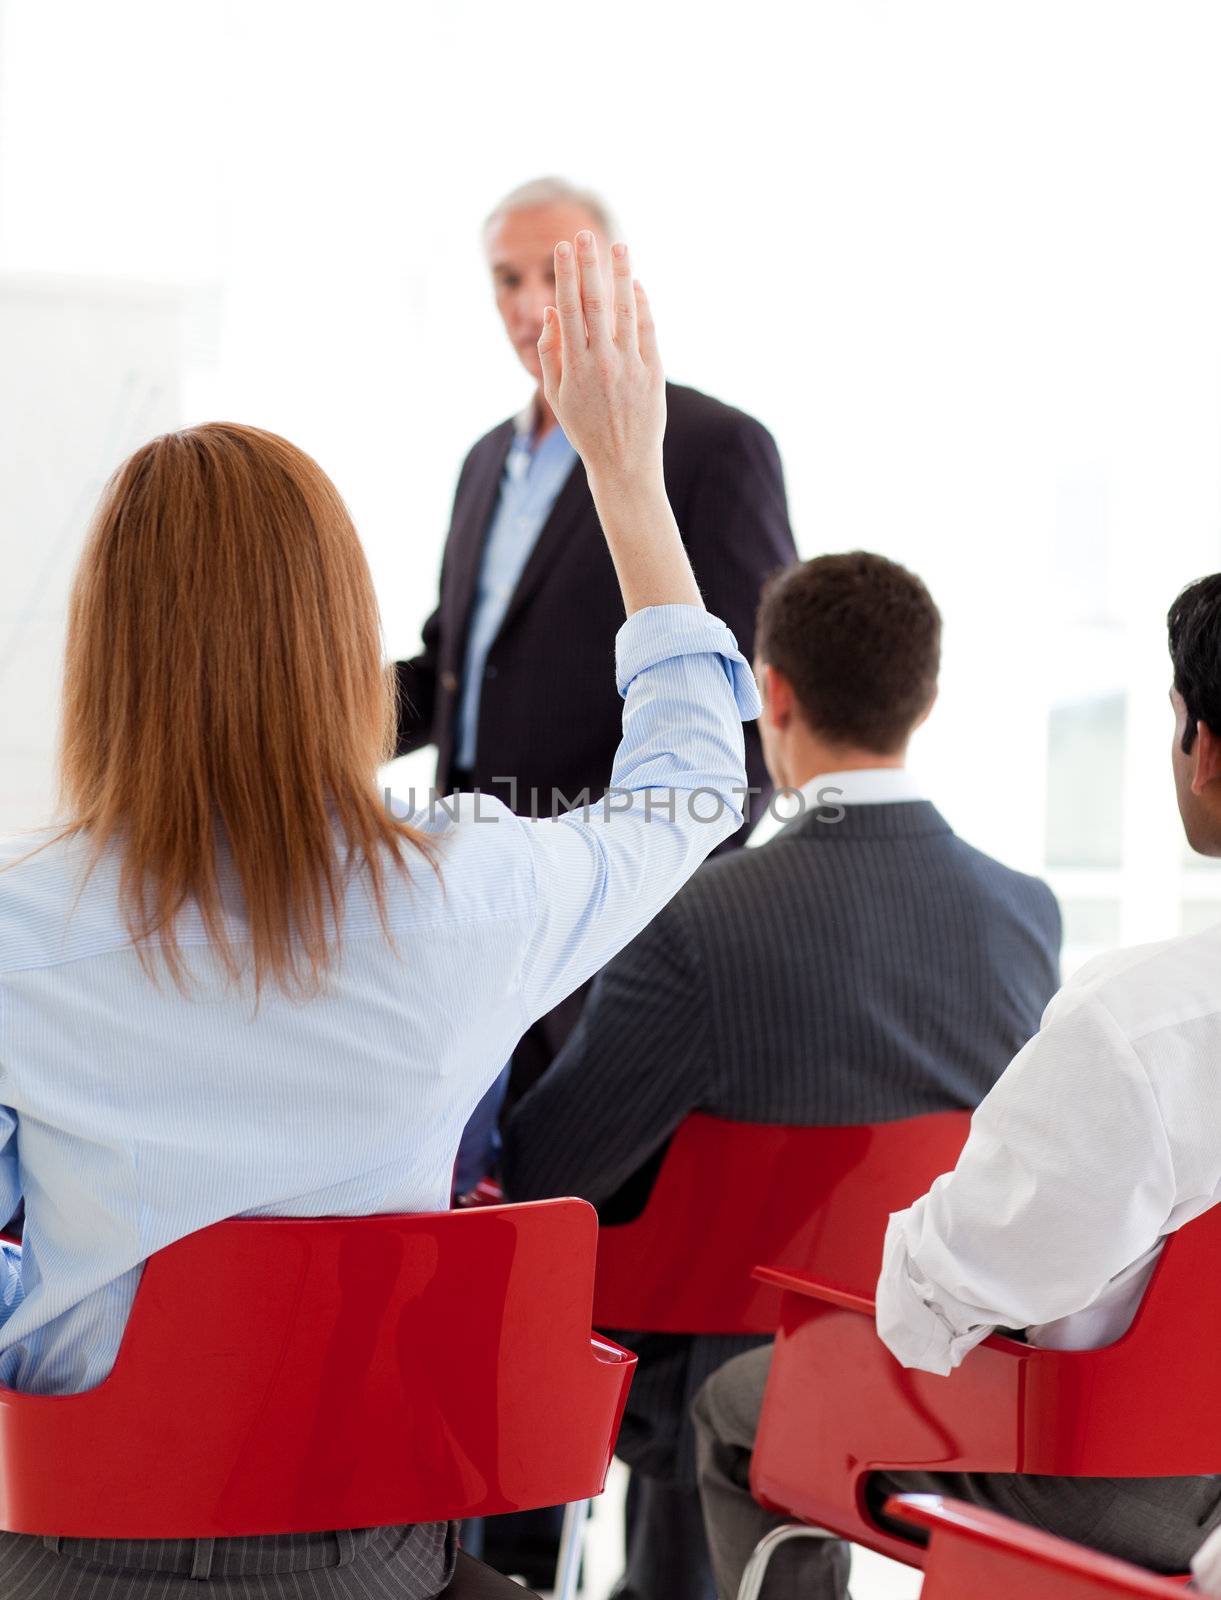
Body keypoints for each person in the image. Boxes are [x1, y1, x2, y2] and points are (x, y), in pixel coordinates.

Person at [0, 231, 760, 1599]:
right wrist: (626, 478)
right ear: (340, 641)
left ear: (100, 655)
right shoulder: (466, 892)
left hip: (60, 1553)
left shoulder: (15, 934)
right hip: (374, 1560)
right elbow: (695, 785)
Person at [503, 552, 1062, 1600]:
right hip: (925, 1363)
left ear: (775, 695)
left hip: (702, 1378)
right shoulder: (1024, 916)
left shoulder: (697, 917)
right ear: (928, 698)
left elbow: (550, 1162)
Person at [693, 572, 1221, 1598]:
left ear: (1203, 749)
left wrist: (900, 1273)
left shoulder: (1142, 1020)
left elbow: (954, 1289)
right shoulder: (1040, 927)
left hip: (1105, 1470)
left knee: (735, 1408)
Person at [393, 177, 796, 1103]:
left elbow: (756, 715)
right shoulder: (485, 460)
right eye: (506, 278)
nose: (530, 303)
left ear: (619, 284)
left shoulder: (711, 445)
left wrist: (655, 905)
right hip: (466, 926)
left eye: (555, 272)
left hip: (606, 925)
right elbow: (451, 671)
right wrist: (282, 721)